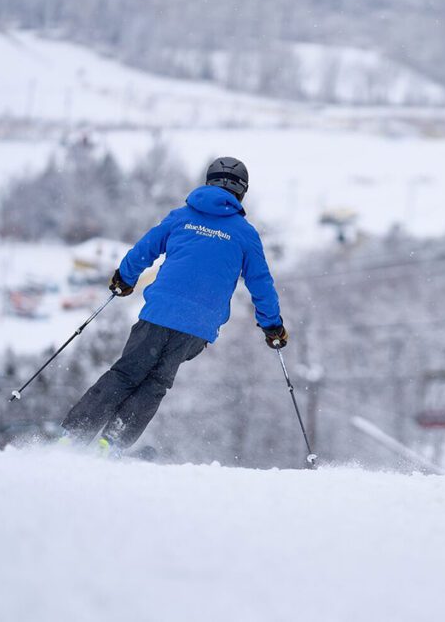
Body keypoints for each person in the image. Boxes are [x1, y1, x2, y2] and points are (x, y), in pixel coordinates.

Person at [60, 156, 288, 453]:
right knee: (155, 383)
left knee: (125, 374)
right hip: (197, 327)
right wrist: (272, 327)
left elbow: (145, 249)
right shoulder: (246, 234)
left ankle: (74, 435)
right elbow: (261, 285)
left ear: (209, 182)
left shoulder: (181, 217)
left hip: (159, 314)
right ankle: (112, 442)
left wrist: (124, 279)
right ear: (241, 192)